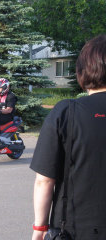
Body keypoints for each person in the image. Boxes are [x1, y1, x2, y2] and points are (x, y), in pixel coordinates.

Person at [30, 34, 106, 240]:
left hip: (74, 229)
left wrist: (39, 229)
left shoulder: (66, 112)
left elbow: (44, 180)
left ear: (83, 69)